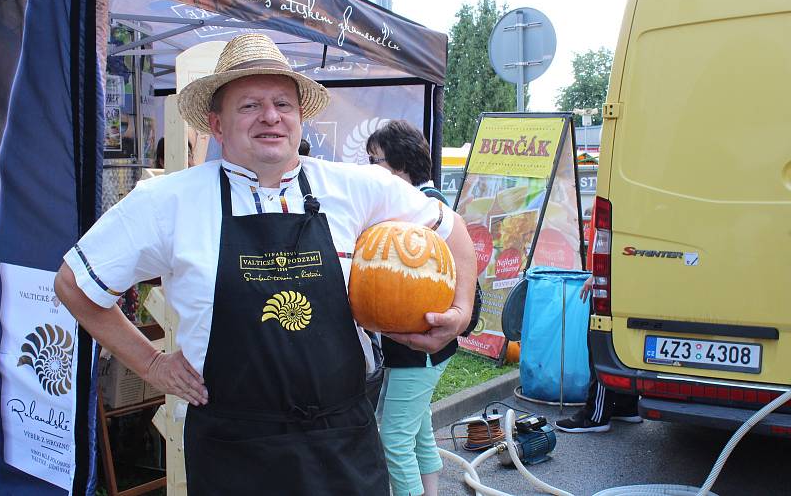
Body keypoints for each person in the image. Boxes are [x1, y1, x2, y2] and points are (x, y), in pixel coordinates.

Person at [54, 33, 476, 496]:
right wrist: (151, 364)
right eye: (249, 105)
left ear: (300, 117)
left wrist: (459, 311)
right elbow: (75, 283)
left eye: (282, 103)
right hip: (233, 452)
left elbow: (451, 228)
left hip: (343, 445)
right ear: (217, 124)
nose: (270, 116)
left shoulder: (358, 187)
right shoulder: (167, 201)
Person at [366, 120, 471, 496]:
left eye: (375, 160)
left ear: (401, 165)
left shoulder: (428, 210)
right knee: (419, 429)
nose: (369, 168)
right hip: (415, 348)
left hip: (421, 350)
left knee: (393, 438)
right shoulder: (421, 205)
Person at [555, 206, 641, 433]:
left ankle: (596, 415)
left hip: (614, 275)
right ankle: (625, 405)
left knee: (602, 346)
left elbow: (618, 230)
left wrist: (599, 274)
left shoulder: (614, 183)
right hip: (628, 273)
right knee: (618, 342)